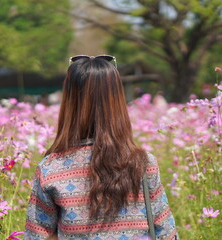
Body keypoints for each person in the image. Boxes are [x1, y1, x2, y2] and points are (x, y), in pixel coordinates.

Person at [24, 55, 178, 239]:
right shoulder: (143, 163)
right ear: (117, 102)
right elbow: (166, 233)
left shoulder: (50, 169)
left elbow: (36, 236)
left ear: (70, 103)